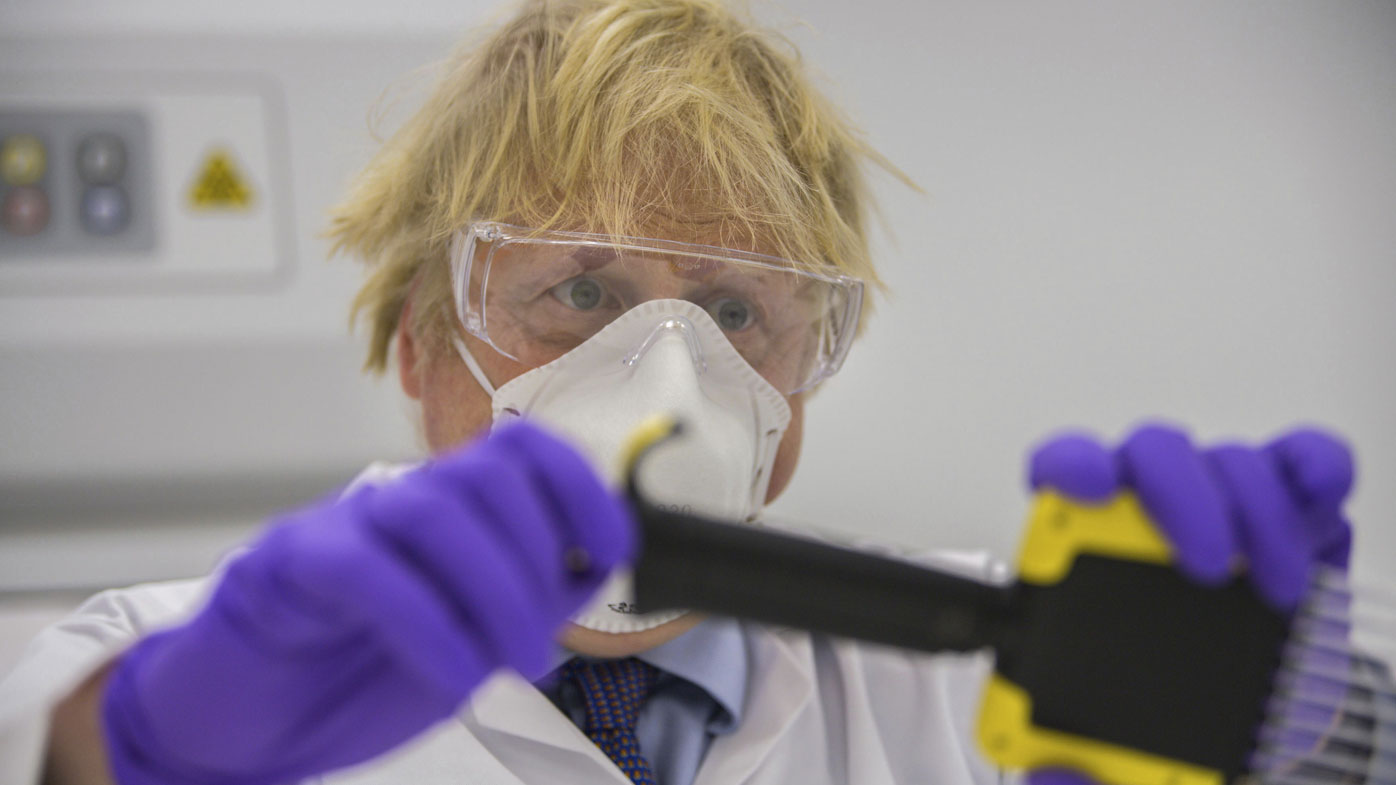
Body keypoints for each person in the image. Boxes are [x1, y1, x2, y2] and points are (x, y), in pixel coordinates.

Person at [0, 1, 1358, 784]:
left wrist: (1293, 738)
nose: (662, 388)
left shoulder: (989, 692)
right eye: (577, 293)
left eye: (730, 312)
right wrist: (114, 757)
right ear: (421, 345)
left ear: (800, 397)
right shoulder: (170, 677)